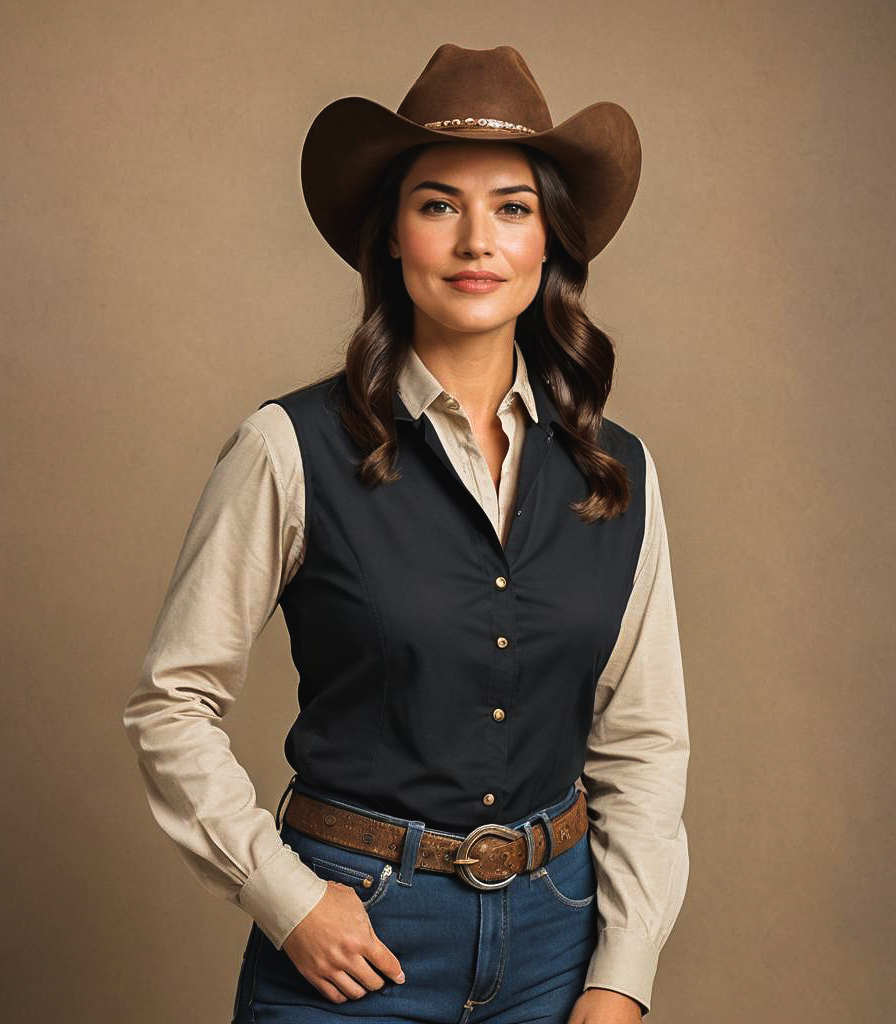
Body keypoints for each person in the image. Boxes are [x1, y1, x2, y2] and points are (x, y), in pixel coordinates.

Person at [122, 42, 690, 1024]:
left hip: (561, 945)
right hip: (353, 944)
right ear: (390, 235)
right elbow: (172, 703)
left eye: (512, 207)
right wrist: (286, 897)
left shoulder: (620, 470)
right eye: (438, 205)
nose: (478, 240)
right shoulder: (285, 446)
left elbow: (641, 746)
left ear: (549, 238)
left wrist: (622, 971)